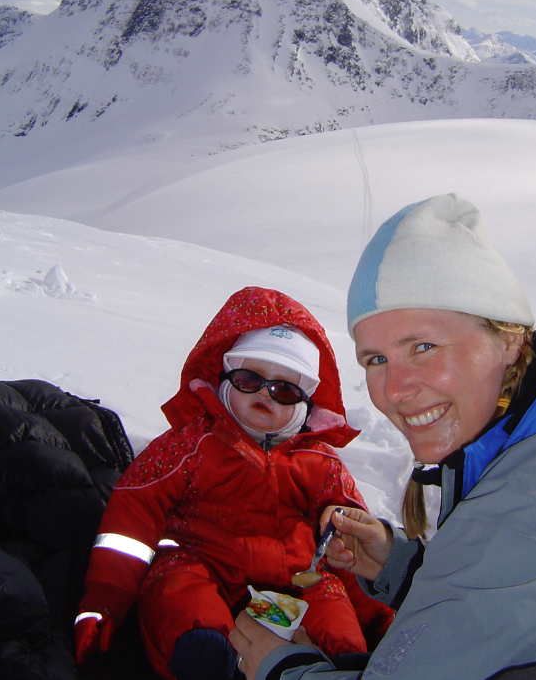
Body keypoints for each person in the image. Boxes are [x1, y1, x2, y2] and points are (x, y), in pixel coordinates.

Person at [230, 194, 536, 680]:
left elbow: (533, 554)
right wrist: (409, 569)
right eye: (376, 359)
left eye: (423, 346)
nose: (394, 390)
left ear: (508, 338)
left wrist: (281, 669)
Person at [73, 286, 393, 680]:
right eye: (248, 379)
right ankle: (205, 658)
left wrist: (380, 616)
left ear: (305, 402)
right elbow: (131, 521)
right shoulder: (190, 445)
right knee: (175, 587)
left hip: (295, 581)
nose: (264, 394)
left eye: (284, 389)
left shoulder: (320, 462)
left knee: (331, 601)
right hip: (204, 565)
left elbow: (355, 547)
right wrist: (105, 603)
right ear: (225, 377)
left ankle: (347, 664)